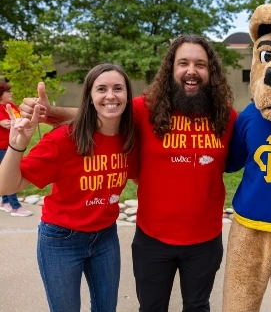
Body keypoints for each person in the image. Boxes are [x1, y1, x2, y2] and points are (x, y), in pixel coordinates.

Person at [19, 35, 238, 312]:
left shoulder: (226, 118)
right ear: (171, 68)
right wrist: (49, 112)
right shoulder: (146, 109)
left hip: (205, 240)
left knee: (197, 306)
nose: (191, 70)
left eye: (200, 64)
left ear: (211, 71)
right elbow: (102, 111)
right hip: (153, 239)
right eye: (183, 62)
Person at [0, 63, 138, 312]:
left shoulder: (129, 137)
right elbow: (7, 185)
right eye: (101, 89)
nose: (110, 95)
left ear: (128, 96)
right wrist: (17, 145)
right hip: (62, 239)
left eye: (118, 88)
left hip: (106, 237)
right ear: (90, 96)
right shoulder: (64, 139)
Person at [0, 82, 33, 216]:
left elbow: (19, 119)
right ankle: (15, 207)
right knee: (10, 174)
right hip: (2, 146)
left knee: (7, 173)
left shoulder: (12, 107)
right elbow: (5, 122)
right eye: (8, 92)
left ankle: (5, 202)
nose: (11, 94)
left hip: (11, 145)